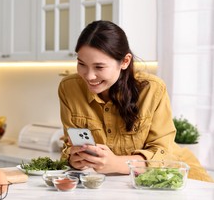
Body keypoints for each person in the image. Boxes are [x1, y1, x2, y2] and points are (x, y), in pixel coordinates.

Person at [58, 20, 213, 182]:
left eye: (99, 67)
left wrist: (117, 163)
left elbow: (163, 153)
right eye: (81, 64)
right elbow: (70, 146)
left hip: (175, 177)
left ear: (125, 61)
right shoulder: (69, 88)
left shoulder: (153, 89)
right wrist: (74, 159)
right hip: (118, 184)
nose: (89, 76)